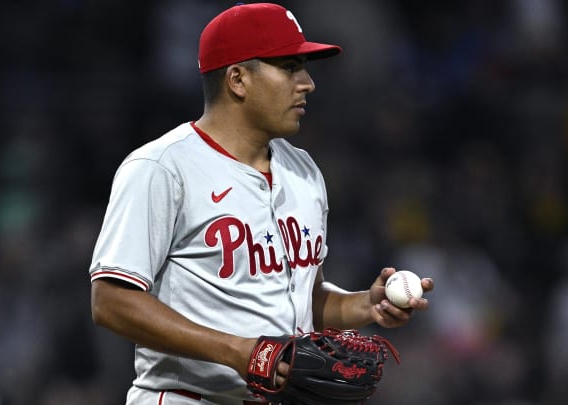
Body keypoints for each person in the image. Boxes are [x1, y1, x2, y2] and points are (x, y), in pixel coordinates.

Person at [88, 3, 434, 404]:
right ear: (237, 79)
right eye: (289, 67)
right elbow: (111, 301)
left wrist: (363, 305)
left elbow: (299, 299)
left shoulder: (303, 170)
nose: (307, 83)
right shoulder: (162, 167)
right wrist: (240, 351)